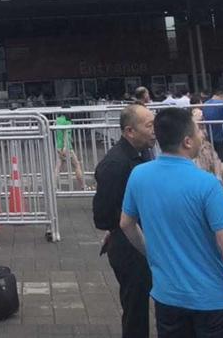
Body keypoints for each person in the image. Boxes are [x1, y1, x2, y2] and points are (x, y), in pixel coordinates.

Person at [120, 108, 223, 337]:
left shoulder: (139, 175)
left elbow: (126, 223)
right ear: (187, 141)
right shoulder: (207, 184)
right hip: (211, 297)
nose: (201, 134)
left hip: (167, 295)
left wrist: (150, 253)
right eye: (198, 130)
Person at [92, 104, 155, 338]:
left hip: (145, 235)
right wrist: (117, 227)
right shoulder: (116, 164)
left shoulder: (144, 153)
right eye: (149, 125)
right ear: (130, 131)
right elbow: (102, 213)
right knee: (135, 306)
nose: (154, 130)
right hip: (128, 244)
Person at [201, 89, 223, 179]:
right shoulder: (222, 104)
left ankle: (217, 178)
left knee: (215, 159)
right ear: (221, 95)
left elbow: (203, 118)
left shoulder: (205, 105)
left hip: (211, 136)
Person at [54, 108, 86, 190]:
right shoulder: (67, 121)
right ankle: (83, 186)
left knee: (58, 168)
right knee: (77, 165)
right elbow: (66, 135)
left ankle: (54, 187)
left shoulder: (57, 120)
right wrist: (66, 147)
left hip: (58, 146)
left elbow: (59, 134)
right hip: (67, 147)